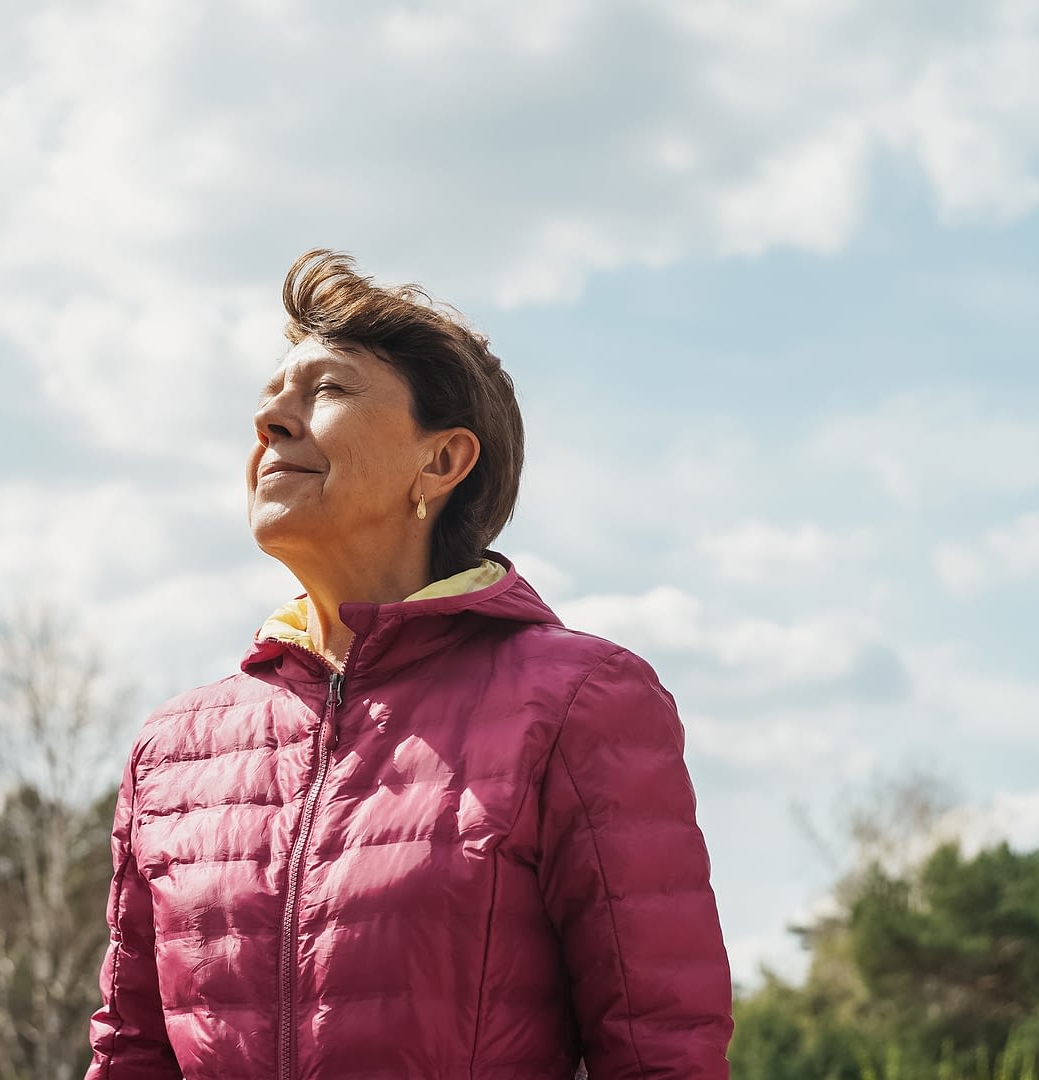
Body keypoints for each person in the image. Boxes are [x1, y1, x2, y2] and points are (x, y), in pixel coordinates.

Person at [86, 250, 732, 1079]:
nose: (271, 420)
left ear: (442, 461)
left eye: (326, 389)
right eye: (270, 398)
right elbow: (132, 1053)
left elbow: (661, 1054)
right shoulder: (173, 751)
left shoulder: (579, 703)